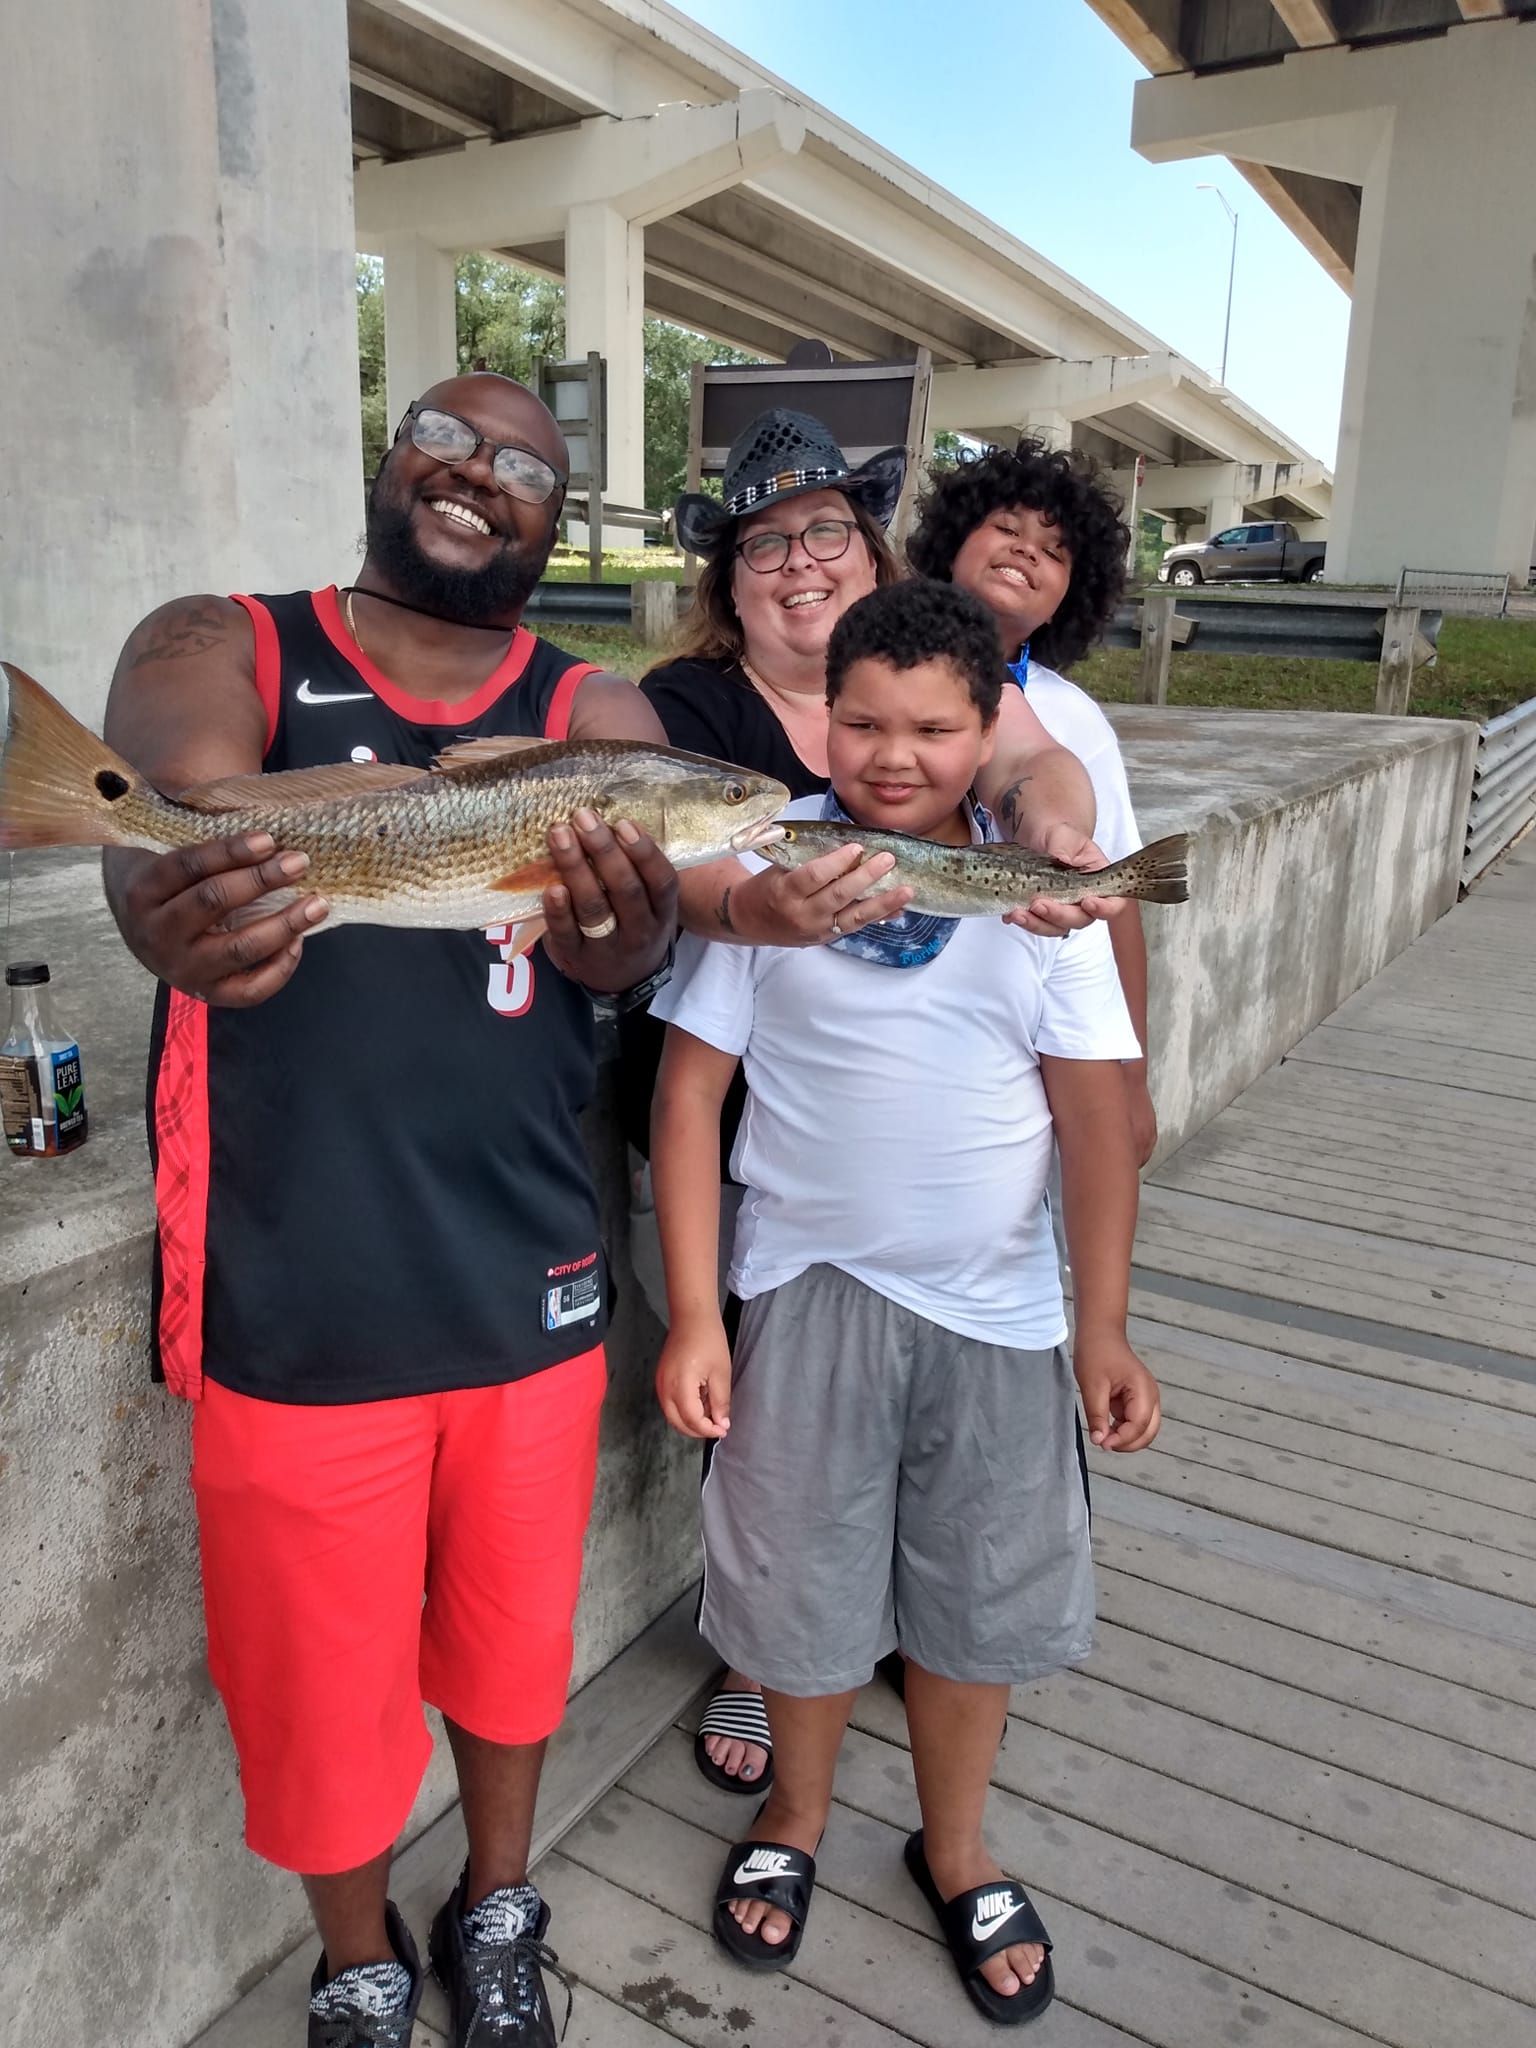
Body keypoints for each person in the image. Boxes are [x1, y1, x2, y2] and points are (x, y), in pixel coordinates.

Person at [100, 373, 680, 2048]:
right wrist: (168, 895)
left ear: (551, 527)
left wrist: (624, 935)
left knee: (509, 1651)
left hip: (530, 1276)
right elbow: (164, 805)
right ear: (388, 451)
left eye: (524, 468)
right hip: (295, 1287)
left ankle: (499, 1895)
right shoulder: (233, 635)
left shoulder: (598, 707)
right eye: (448, 432)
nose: (477, 473)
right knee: (311, 1689)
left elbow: (624, 950)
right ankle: (358, 1953)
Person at [648, 578, 1161, 2027]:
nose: (893, 755)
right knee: (799, 1588)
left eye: (935, 728)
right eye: (862, 721)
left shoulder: (1039, 894)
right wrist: (696, 1311)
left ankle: (956, 1844)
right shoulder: (769, 875)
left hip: (999, 1316)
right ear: (825, 721)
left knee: (972, 1601)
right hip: (803, 1295)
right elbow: (691, 1101)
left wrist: (1103, 1325)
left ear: (991, 726)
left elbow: (1094, 1124)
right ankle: (796, 1817)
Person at [616, 407, 1122, 1794]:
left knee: (955, 1523)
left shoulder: (934, 666)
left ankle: (930, 1747)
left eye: (823, 527)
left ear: (871, 541)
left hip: (972, 1227)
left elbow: (1037, 769)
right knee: (789, 1497)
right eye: (760, 541)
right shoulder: (681, 710)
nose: (794, 559)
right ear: (726, 579)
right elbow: (667, 887)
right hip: (767, 1159)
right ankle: (768, 1677)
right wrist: (760, 905)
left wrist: (1054, 834)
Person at [910, 438, 1158, 1163]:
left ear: (1071, 593)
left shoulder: (1076, 719)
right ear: (952, 540)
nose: (1025, 552)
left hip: (1031, 1039)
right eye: (1007, 528)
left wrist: (1133, 1073)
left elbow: (1122, 894)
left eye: (1053, 550)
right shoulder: (876, 671)